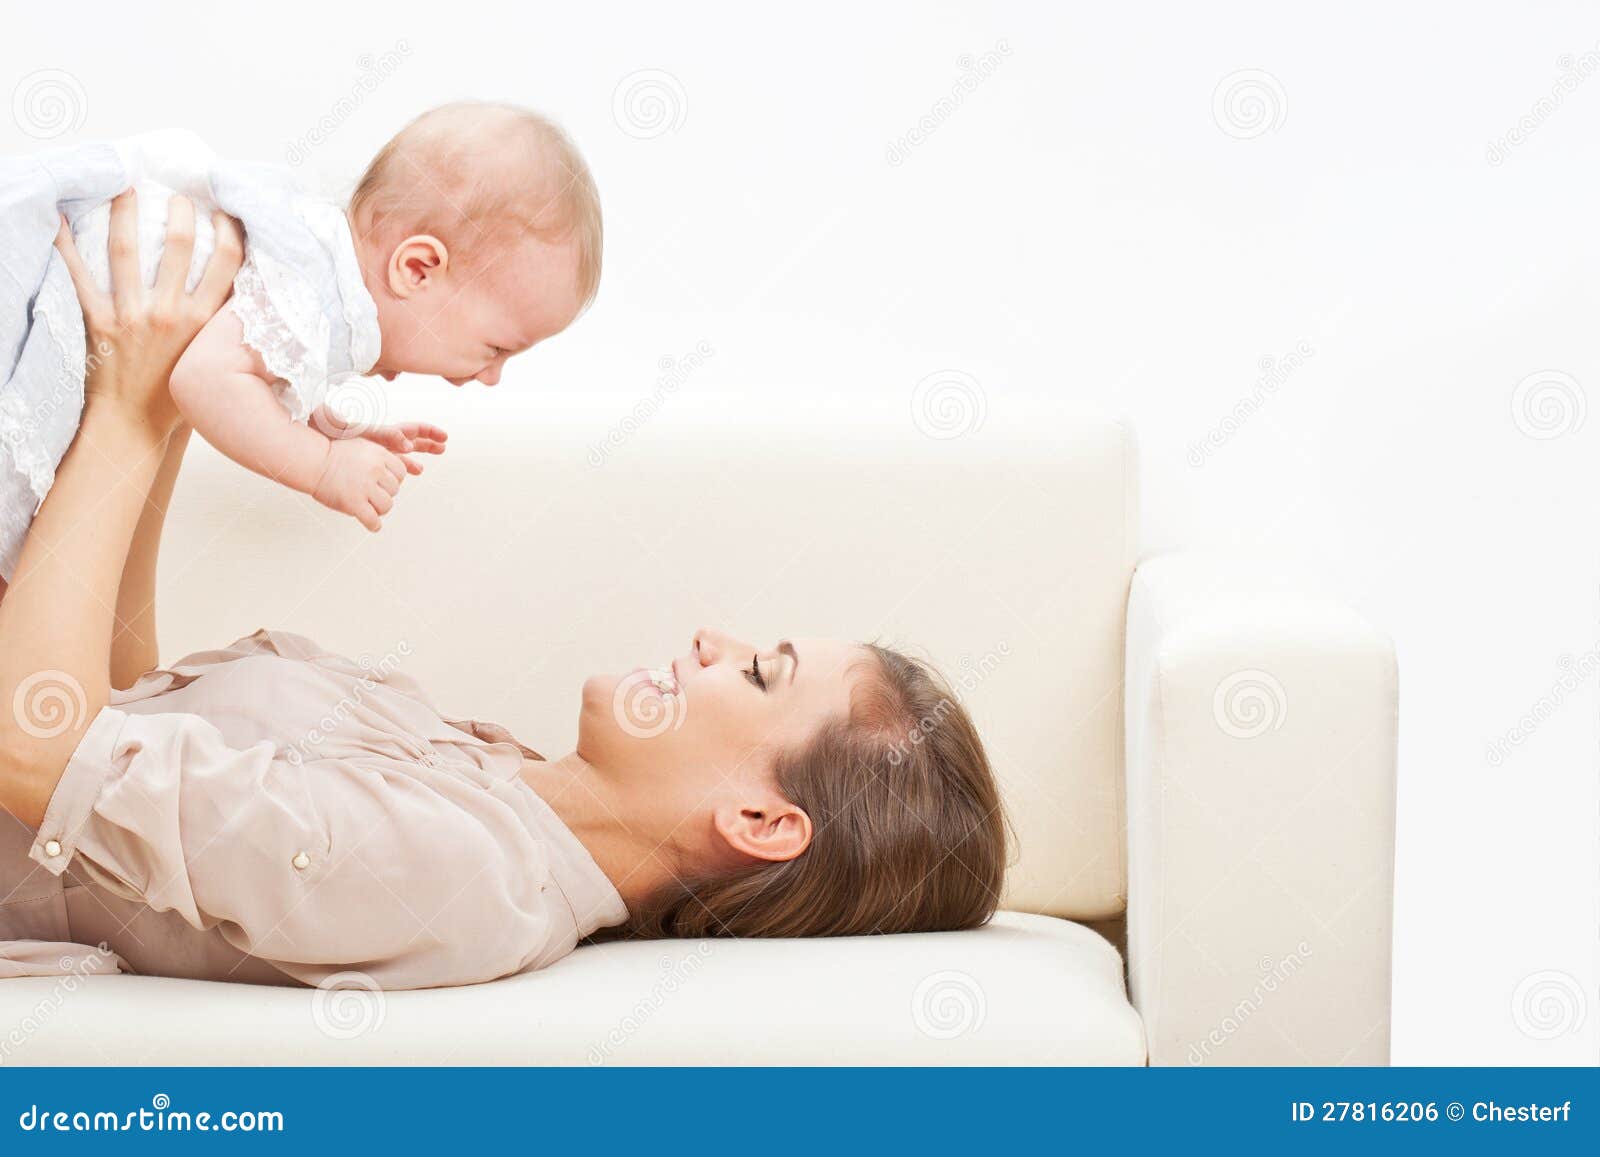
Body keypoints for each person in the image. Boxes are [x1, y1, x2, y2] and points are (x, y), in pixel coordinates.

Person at [0, 194, 1006, 990]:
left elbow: (37, 748)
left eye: (757, 670)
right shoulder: (486, 775)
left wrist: (129, 403)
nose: (711, 638)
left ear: (760, 819)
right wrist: (168, 393)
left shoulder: (454, 878)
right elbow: (123, 712)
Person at [0, 102, 599, 588]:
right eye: (497, 348)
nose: (492, 376)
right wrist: (322, 466)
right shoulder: (315, 295)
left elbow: (255, 357)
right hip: (51, 307)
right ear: (417, 270)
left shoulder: (315, 265)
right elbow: (204, 378)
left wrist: (326, 428)